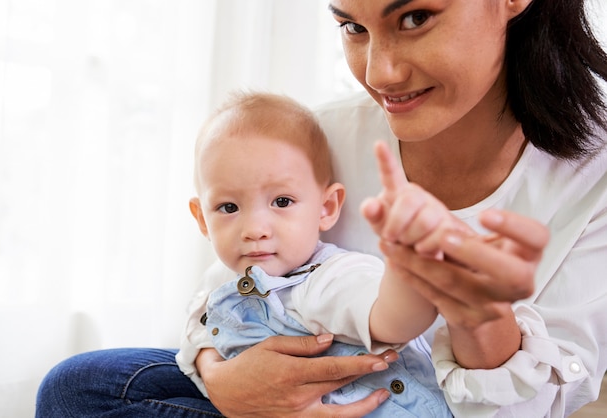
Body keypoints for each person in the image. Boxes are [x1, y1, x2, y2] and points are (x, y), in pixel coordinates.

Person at [36, 0, 607, 417]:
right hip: (293, 391)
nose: (380, 73)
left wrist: (475, 312)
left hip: (413, 406)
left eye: (414, 18)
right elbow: (236, 288)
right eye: (353, 27)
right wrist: (223, 379)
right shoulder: (322, 135)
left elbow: (539, 405)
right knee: (76, 386)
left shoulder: (594, 172)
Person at [182, 90, 455, 417]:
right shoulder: (222, 281)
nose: (255, 228)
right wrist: (207, 362)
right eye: (228, 207)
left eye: (281, 202)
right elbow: (195, 338)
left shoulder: (326, 277)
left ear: (325, 208)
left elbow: (395, 322)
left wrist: (407, 262)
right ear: (202, 219)